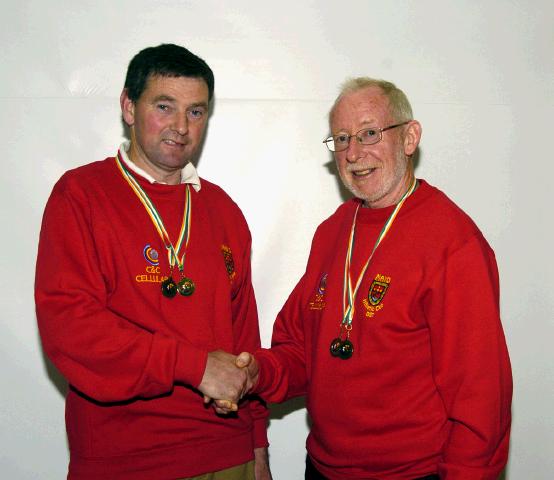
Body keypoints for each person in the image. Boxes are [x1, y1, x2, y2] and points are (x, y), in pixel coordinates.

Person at [224, 77, 512, 479]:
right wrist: (259, 372)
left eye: (370, 133)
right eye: (341, 139)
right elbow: (302, 352)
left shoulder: (452, 242)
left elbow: (480, 396)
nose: (354, 153)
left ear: (409, 138)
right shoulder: (332, 231)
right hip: (323, 469)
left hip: (412, 473)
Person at [35, 44, 271, 480]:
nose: (181, 127)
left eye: (196, 112)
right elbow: (72, 328)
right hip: (125, 459)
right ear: (128, 106)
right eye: (165, 106)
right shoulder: (81, 195)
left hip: (227, 454)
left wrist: (257, 445)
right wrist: (194, 367)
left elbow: (245, 339)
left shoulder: (223, 210)